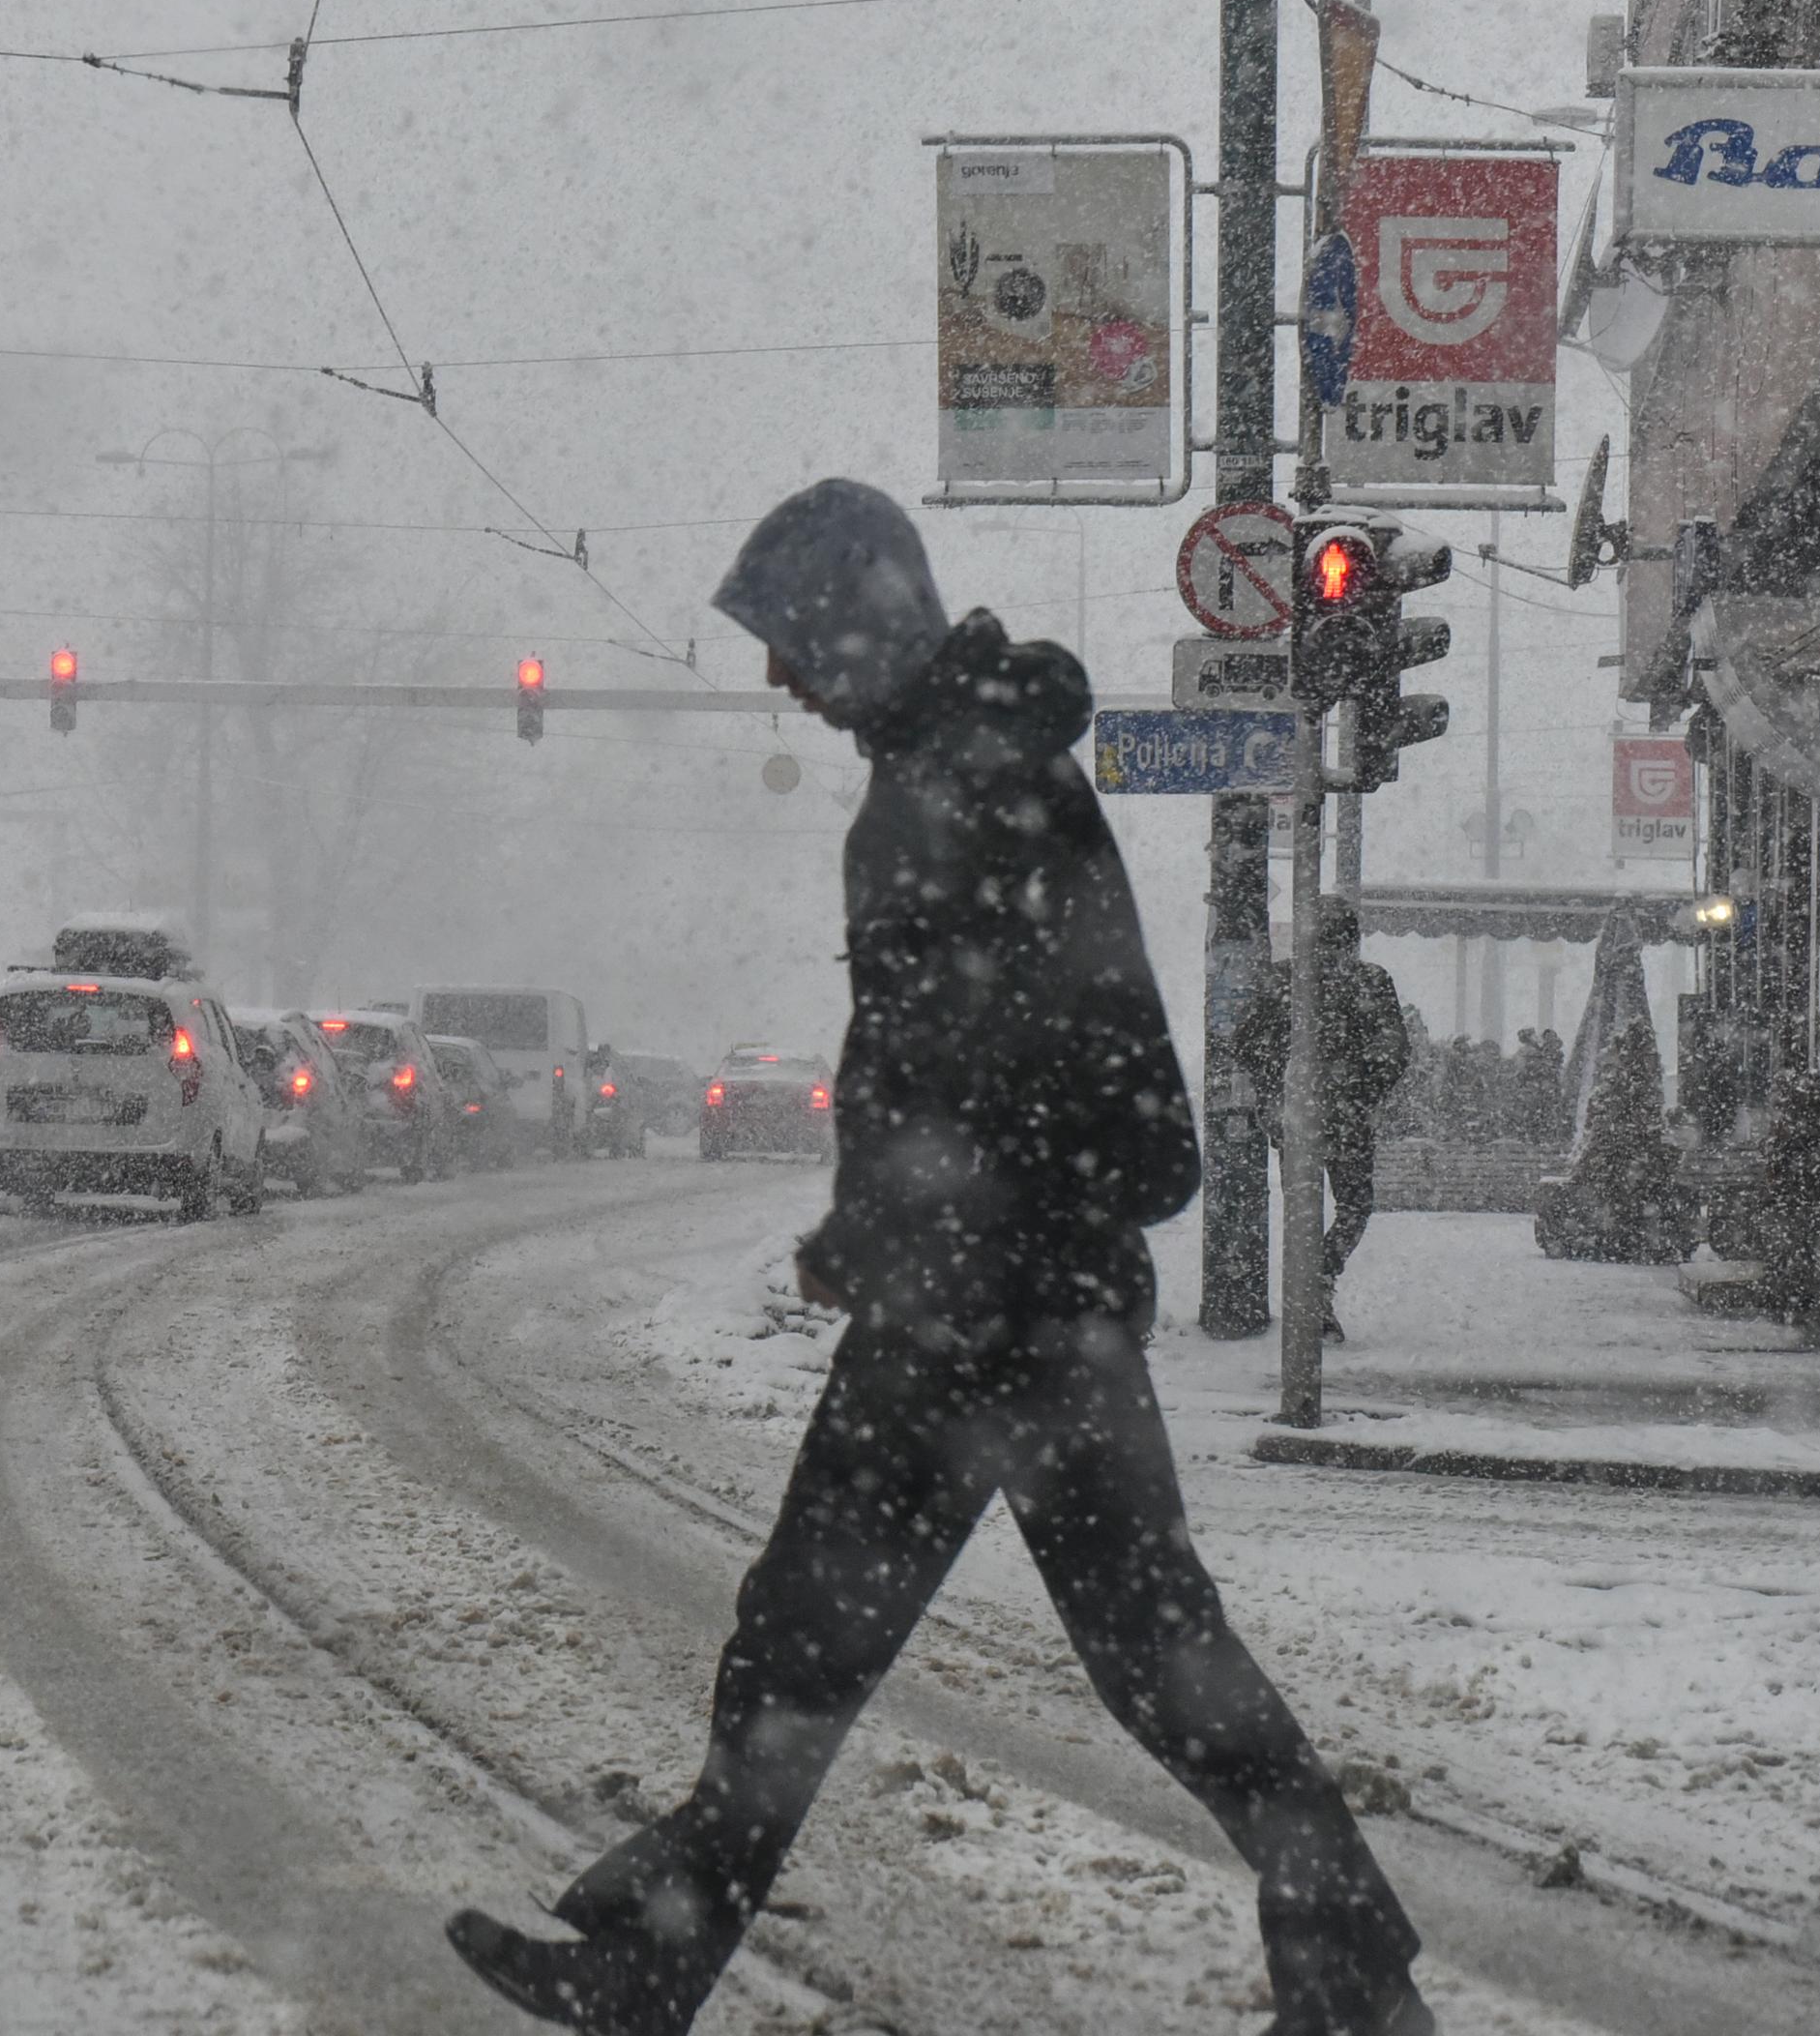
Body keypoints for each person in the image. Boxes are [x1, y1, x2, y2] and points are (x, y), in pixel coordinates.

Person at [445, 480, 1424, 2036]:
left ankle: (657, 1960)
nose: (778, 676)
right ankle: (1349, 1952)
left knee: (834, 1637)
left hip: (988, 1306)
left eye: (787, 641)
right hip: (1015, 1292)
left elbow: (1002, 1054)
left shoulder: (963, 780)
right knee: (1127, 1647)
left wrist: (905, 1218)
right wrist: (882, 1216)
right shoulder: (968, 764)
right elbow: (974, 1053)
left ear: (859, 620)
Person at [1232, 921, 1411, 1336]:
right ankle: (1320, 1278)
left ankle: (1306, 1288)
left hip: (1293, 1115)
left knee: (1302, 1209)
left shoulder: (1282, 977)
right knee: (1353, 1206)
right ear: (1352, 941)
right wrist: (1361, 1089)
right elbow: (1394, 1049)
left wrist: (1279, 1082)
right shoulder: (1369, 979)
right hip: (1346, 1117)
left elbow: (1245, 1042)